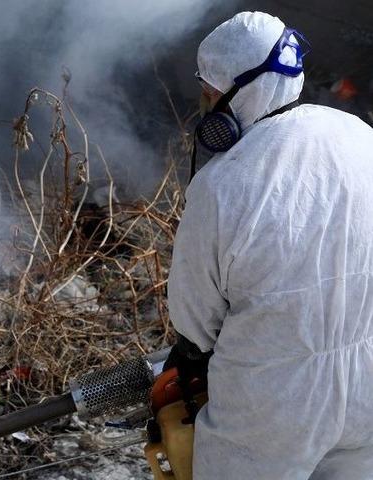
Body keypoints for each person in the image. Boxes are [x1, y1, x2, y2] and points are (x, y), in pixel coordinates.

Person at [168, 11, 373, 479]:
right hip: (368, 389)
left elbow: (195, 321)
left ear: (244, 89)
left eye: (212, 88)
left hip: (272, 405)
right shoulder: (361, 137)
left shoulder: (223, 185)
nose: (208, 99)